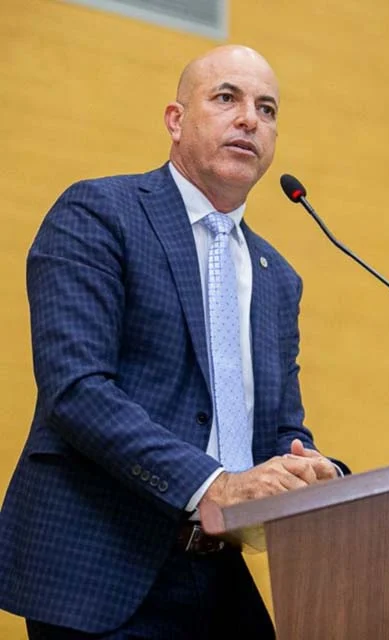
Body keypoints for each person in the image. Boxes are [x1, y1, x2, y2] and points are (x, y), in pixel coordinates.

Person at [0, 45, 346, 639]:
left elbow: (279, 428)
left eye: (267, 109)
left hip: (217, 571)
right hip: (101, 565)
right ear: (175, 120)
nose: (249, 119)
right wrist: (216, 484)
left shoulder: (277, 277)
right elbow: (77, 391)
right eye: (227, 98)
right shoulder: (99, 214)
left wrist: (312, 470)